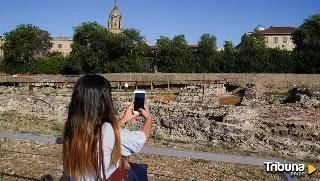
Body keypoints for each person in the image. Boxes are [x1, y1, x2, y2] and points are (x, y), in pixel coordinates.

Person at [62, 74, 152, 181]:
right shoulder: (106, 130)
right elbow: (141, 140)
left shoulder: (71, 128)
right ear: (103, 101)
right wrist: (148, 118)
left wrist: (123, 120)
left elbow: (101, 136)